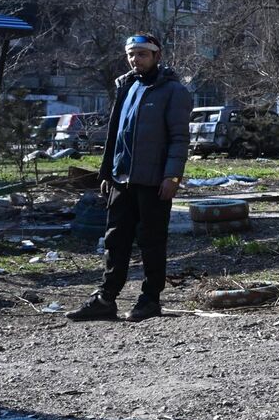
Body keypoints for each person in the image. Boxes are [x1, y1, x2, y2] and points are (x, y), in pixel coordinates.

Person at [67, 34, 193, 324]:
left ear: (156, 56)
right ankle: (105, 300)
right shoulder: (127, 87)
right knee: (115, 240)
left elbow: (179, 139)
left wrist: (172, 176)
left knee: (151, 241)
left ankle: (149, 300)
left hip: (153, 181)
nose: (135, 60)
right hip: (120, 180)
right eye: (131, 55)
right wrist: (107, 173)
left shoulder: (174, 91)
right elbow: (116, 135)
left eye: (142, 54)